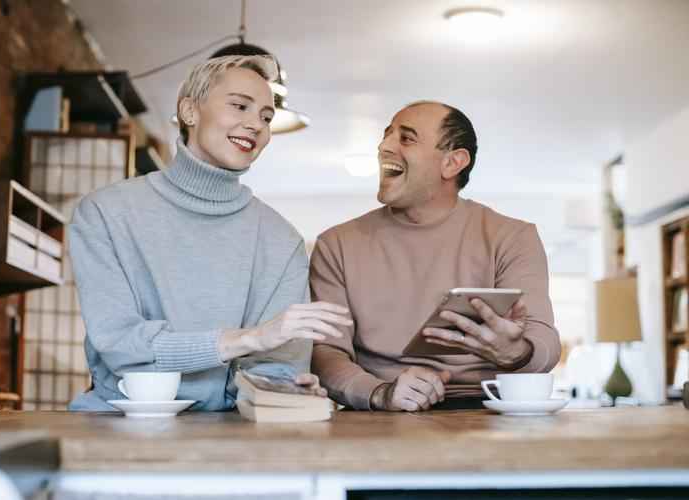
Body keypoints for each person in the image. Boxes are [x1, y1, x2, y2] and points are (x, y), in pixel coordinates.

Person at [68, 55, 351, 411]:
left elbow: (276, 365)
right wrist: (248, 339)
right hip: (115, 426)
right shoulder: (104, 214)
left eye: (266, 117)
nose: (256, 126)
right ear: (189, 112)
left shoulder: (281, 240)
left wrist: (282, 388)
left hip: (231, 436)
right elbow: (121, 346)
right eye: (239, 106)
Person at [310, 101, 561, 412]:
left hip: (489, 411)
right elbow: (325, 353)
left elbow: (545, 344)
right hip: (379, 410)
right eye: (386, 135)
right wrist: (380, 393)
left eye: (406, 138)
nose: (383, 146)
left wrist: (516, 352)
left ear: (452, 162)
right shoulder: (336, 244)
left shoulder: (513, 236)